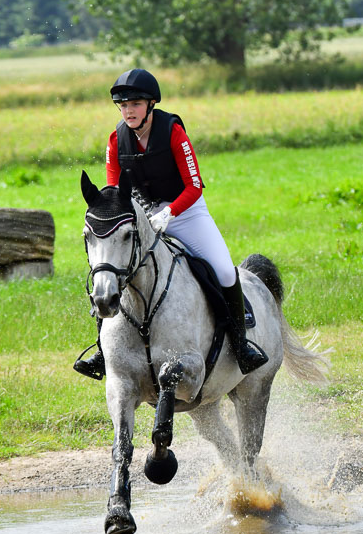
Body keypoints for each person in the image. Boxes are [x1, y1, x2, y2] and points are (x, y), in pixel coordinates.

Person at [74, 68, 268, 380]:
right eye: (123, 106)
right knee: (110, 272)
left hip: (186, 212)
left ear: (151, 105)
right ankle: (101, 351)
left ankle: (241, 342)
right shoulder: (116, 140)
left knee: (222, 269)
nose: (128, 111)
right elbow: (116, 192)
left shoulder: (173, 132)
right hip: (142, 216)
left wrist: (169, 213)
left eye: (135, 104)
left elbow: (194, 186)